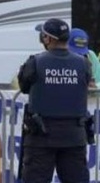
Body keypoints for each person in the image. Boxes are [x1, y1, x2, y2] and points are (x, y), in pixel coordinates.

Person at [18, 19, 92, 183]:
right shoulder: (84, 63)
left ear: (47, 38)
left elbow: (24, 86)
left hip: (41, 137)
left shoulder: (35, 62)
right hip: (74, 136)